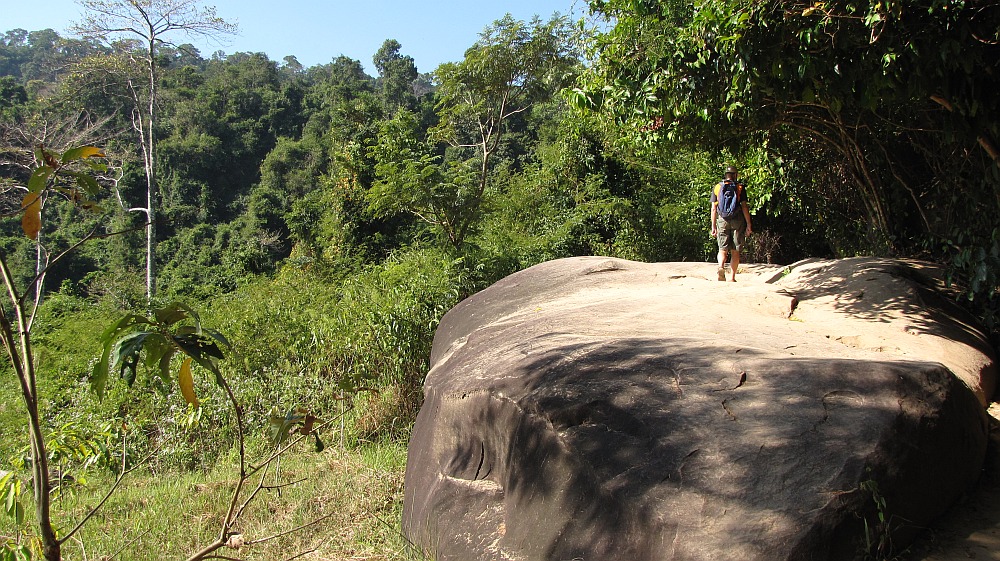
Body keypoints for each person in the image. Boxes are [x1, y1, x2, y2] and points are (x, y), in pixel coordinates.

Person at [710, 166, 752, 282]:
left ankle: (721, 267)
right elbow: (744, 207)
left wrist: (713, 226)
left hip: (722, 220)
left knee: (722, 249)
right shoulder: (739, 187)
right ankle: (732, 278)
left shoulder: (718, 187)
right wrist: (749, 224)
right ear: (735, 175)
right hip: (737, 220)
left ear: (726, 174)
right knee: (735, 250)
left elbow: (714, 208)